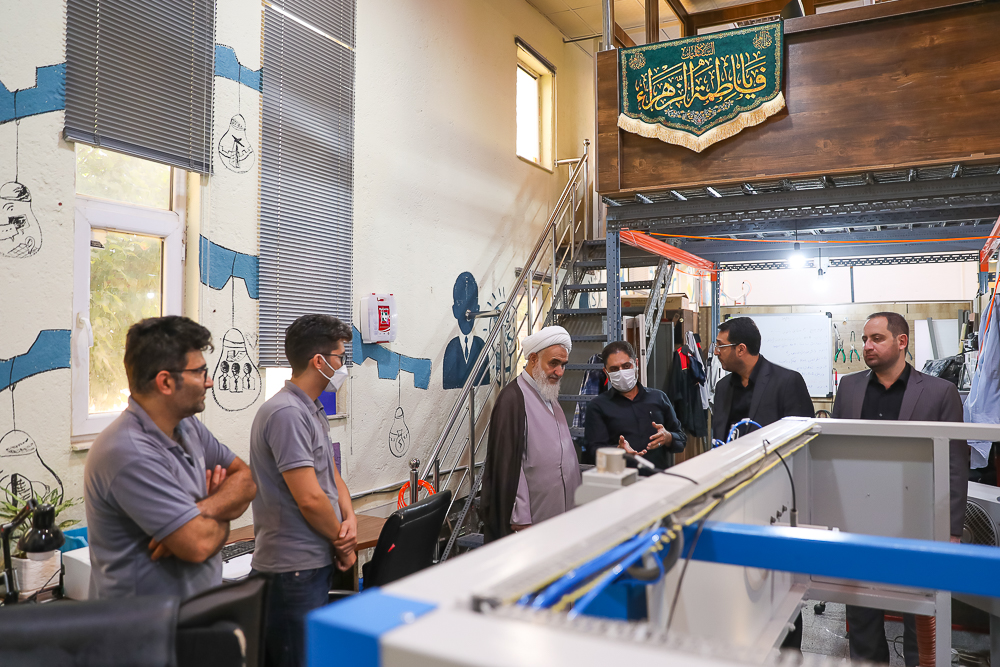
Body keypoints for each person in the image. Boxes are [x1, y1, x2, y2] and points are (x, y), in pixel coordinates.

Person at [84, 316, 256, 599]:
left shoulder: (188, 426)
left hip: (195, 613)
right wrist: (224, 509)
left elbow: (246, 479)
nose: (210, 381)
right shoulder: (128, 452)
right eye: (199, 372)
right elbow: (199, 545)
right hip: (146, 623)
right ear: (165, 382)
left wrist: (203, 509)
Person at [833, 312, 968, 667]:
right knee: (861, 614)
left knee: (920, 615)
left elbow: (956, 462)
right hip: (859, 522)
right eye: (865, 339)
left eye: (876, 338)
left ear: (901, 341)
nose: (867, 346)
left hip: (919, 522)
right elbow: (834, 456)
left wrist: (952, 530)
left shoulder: (940, 393)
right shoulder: (849, 389)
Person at [249, 314, 358, 667]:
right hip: (291, 570)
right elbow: (310, 499)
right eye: (340, 356)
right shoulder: (286, 413)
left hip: (314, 561)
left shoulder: (312, 409)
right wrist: (342, 541)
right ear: (319, 361)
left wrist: (350, 518)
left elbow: (331, 476)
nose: (343, 365)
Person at [481, 325, 581, 542]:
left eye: (563, 365)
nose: (560, 372)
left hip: (563, 513)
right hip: (533, 521)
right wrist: (521, 517)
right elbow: (508, 465)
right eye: (553, 363)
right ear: (533, 359)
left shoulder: (548, 392)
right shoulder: (512, 399)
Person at [584, 340, 686, 468]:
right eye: (614, 369)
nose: (621, 372)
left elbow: (681, 439)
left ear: (636, 364)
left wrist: (668, 437)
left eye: (626, 366)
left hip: (657, 477)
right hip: (621, 478)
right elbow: (593, 451)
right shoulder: (597, 407)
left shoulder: (659, 398)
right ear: (606, 372)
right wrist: (617, 451)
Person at [711, 317, 814, 443]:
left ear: (741, 349)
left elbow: (803, 439)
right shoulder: (722, 387)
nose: (716, 352)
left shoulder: (787, 383)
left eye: (720, 346)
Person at [443, 271, 489, 389]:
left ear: (477, 309)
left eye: (471, 305)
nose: (467, 312)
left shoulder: (482, 346)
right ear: (454, 310)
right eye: (461, 304)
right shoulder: (451, 348)